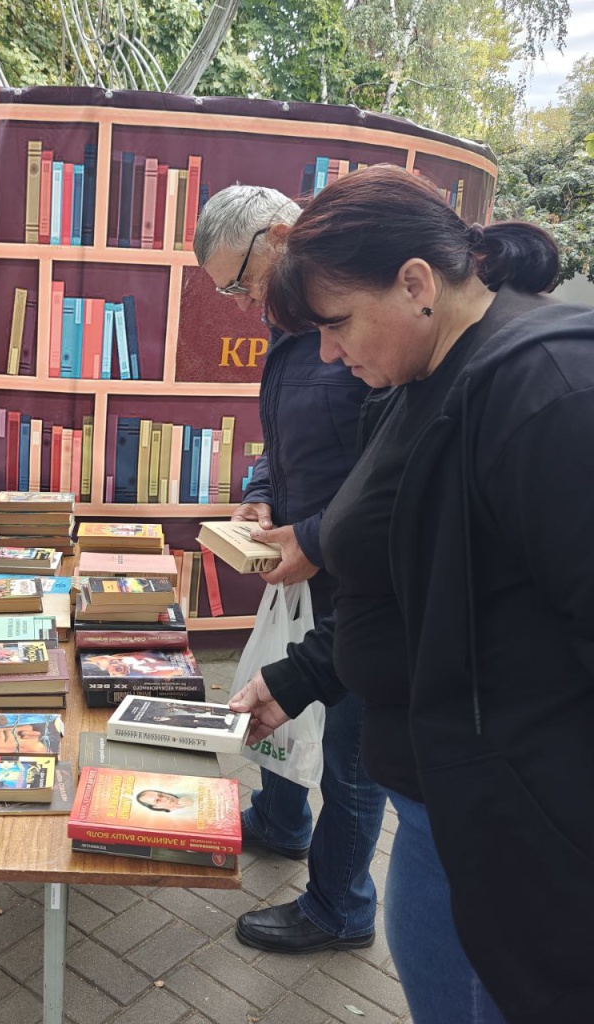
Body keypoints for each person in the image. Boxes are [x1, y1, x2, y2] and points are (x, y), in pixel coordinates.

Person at [232, 164, 594, 1023]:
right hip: (435, 801)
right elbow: (400, 572)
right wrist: (301, 677)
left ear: (416, 283)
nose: (328, 352)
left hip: (526, 827)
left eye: (337, 324)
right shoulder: (417, 381)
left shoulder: (548, 393)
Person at [193, 184, 386, 953]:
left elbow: (386, 470)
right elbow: (284, 440)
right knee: (279, 694)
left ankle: (340, 908)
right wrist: (263, 497)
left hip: (364, 579)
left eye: (241, 281)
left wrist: (312, 531)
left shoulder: (355, 328)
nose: (243, 302)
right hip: (302, 566)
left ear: (279, 235)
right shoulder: (295, 328)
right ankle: (279, 822)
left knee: (352, 755)